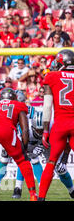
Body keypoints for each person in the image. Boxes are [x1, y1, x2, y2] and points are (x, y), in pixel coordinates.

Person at [0, 94, 74, 199]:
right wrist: (28, 151)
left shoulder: (51, 126)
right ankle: (12, 187)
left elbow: (66, 140)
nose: (40, 132)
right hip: (22, 138)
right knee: (16, 159)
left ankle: (71, 190)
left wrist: (63, 159)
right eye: (38, 130)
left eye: (42, 129)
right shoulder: (26, 127)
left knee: (60, 168)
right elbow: (22, 143)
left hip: (47, 144)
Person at [38, 49, 74, 200]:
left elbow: (47, 106)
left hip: (60, 124)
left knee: (51, 162)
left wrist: (46, 130)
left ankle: (41, 198)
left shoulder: (52, 76)